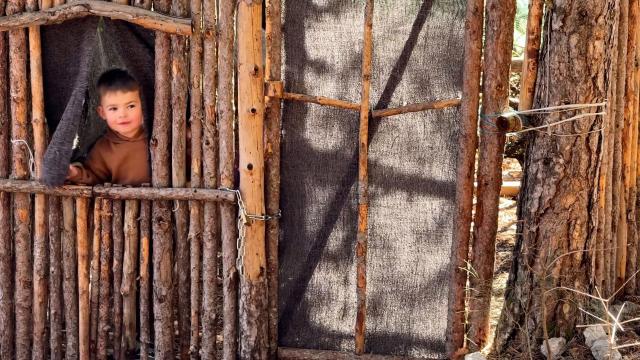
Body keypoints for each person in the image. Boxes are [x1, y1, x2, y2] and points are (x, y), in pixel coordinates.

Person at [66, 68, 151, 185]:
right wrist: (75, 174)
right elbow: (94, 178)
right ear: (102, 113)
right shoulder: (103, 148)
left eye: (131, 106)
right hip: (123, 203)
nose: (122, 115)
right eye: (114, 109)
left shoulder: (156, 137)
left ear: (143, 106)